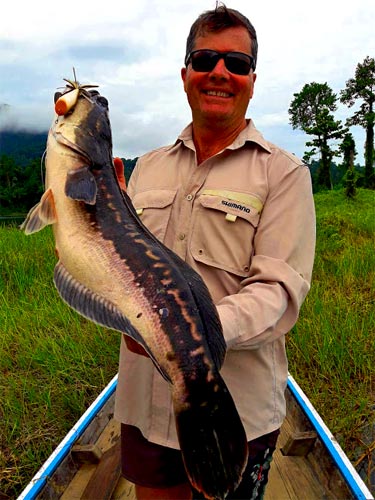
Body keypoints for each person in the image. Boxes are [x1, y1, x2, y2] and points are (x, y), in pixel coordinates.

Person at [114, 4, 316, 499]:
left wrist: (183, 335)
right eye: (205, 59)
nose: (220, 72)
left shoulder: (284, 175)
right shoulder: (148, 169)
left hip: (237, 413)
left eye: (237, 63)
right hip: (147, 405)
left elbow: (279, 292)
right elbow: (122, 275)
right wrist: (100, 218)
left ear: (252, 79)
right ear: (185, 73)